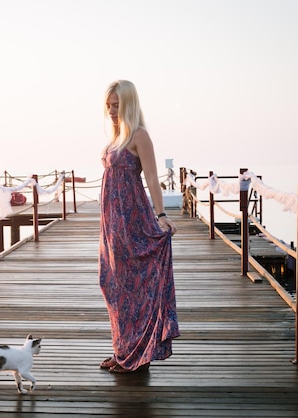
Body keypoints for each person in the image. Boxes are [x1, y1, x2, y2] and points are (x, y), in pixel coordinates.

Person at [98, 80, 180, 373]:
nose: (111, 110)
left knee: (132, 287)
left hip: (131, 222)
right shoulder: (116, 137)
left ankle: (136, 356)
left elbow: (153, 179)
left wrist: (161, 215)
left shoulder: (139, 136)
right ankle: (123, 351)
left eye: (117, 105)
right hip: (111, 225)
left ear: (130, 104)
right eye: (108, 105)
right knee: (113, 284)